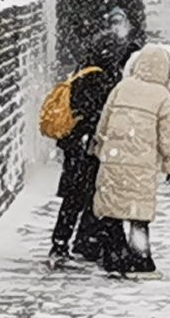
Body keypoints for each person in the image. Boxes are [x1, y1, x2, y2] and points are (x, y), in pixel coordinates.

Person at [90, 43, 170, 274]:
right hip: (141, 166)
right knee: (138, 216)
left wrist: (98, 147)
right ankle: (141, 261)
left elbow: (104, 121)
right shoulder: (163, 96)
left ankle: (115, 258)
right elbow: (168, 136)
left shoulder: (122, 87)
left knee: (112, 212)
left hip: (114, 162)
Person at [44, 31, 126, 269]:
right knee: (89, 197)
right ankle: (82, 243)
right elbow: (96, 115)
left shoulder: (82, 70)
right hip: (88, 149)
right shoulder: (102, 77)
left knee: (73, 199)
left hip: (75, 148)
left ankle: (62, 243)